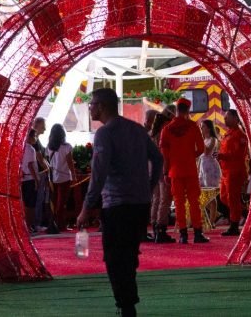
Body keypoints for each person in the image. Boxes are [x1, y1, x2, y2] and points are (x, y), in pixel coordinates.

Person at [77, 88, 163, 317]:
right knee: (130, 254)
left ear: (102, 106)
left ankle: (126, 306)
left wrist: (86, 207)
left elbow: (99, 173)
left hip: (117, 205)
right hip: (140, 204)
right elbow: (158, 158)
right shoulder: (136, 129)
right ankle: (127, 303)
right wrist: (149, 185)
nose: (90, 108)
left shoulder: (105, 133)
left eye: (92, 104)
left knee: (116, 258)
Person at [159, 99, 209, 243]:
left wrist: (165, 171)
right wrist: (188, 156)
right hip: (190, 170)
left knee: (179, 203)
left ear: (176, 110)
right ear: (187, 110)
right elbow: (201, 149)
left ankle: (183, 235)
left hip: (174, 171)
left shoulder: (166, 129)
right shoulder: (193, 126)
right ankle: (198, 233)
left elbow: (164, 155)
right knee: (194, 202)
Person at [216, 109, 249, 236]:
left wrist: (222, 156)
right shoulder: (228, 133)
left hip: (235, 171)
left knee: (233, 198)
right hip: (226, 171)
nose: (225, 119)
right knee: (224, 197)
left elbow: (238, 154)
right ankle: (244, 213)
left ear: (235, 118)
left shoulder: (240, 135)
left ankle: (234, 225)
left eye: (227, 117)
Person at [148, 109, 175, 243]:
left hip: (153, 169)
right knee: (165, 199)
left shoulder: (153, 133)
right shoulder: (166, 131)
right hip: (163, 168)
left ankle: (154, 226)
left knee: (156, 198)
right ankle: (161, 229)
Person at [46, 122, 75, 234]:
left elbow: (50, 161)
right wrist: (74, 176)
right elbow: (70, 163)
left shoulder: (50, 147)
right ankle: (60, 225)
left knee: (53, 202)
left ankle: (53, 223)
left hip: (53, 177)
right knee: (62, 202)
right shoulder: (66, 147)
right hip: (64, 177)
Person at [21, 128, 40, 231]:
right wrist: (36, 180)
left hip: (23, 179)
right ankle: (28, 226)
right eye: (34, 136)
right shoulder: (30, 149)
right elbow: (30, 165)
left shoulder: (21, 148)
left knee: (25, 204)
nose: (35, 138)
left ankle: (26, 226)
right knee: (31, 205)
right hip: (30, 179)